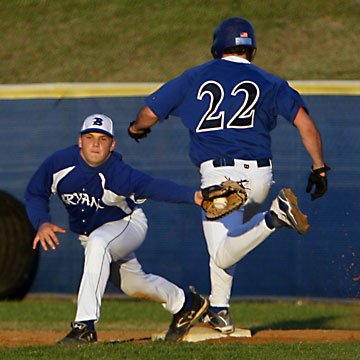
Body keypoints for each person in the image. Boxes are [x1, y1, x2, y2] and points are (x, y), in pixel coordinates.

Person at [128, 17, 329, 334]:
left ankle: (274, 217)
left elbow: (149, 114)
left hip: (220, 176)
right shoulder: (270, 81)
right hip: (261, 176)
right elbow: (304, 123)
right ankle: (220, 311)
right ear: (252, 50)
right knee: (229, 241)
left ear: (217, 46)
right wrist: (318, 167)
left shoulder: (194, 77)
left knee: (221, 253)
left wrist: (137, 128)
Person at [25, 113, 209, 344]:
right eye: (89, 137)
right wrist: (42, 222)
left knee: (99, 243)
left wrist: (194, 196)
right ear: (80, 140)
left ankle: (85, 326)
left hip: (127, 224)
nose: (95, 144)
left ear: (112, 145)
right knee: (135, 285)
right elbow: (35, 193)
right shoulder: (59, 163)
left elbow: (154, 187)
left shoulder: (119, 173)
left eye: (102, 139)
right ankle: (187, 303)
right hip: (92, 236)